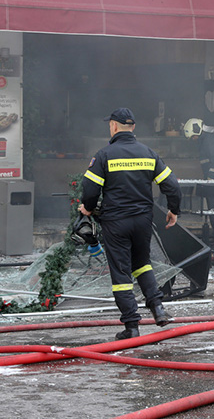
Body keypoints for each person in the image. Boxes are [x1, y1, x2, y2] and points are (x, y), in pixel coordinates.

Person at [79, 108, 182, 340]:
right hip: (143, 220)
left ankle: (131, 325)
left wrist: (87, 207)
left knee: (121, 271)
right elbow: (172, 186)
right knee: (142, 263)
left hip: (116, 221)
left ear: (114, 126)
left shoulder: (104, 155)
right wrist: (173, 210)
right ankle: (158, 309)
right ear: (133, 127)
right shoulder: (149, 154)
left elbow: (90, 189)